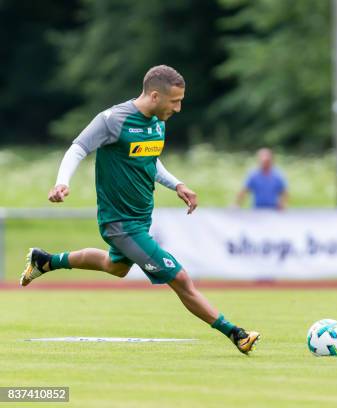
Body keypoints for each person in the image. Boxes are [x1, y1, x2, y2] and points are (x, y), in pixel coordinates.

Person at [20, 65, 260, 354]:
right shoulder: (112, 120)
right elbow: (78, 148)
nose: (179, 108)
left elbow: (149, 160)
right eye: (175, 101)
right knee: (180, 278)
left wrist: (177, 184)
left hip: (140, 219)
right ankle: (235, 333)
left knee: (116, 267)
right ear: (155, 95)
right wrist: (61, 183)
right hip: (120, 223)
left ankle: (45, 261)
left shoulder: (158, 123)